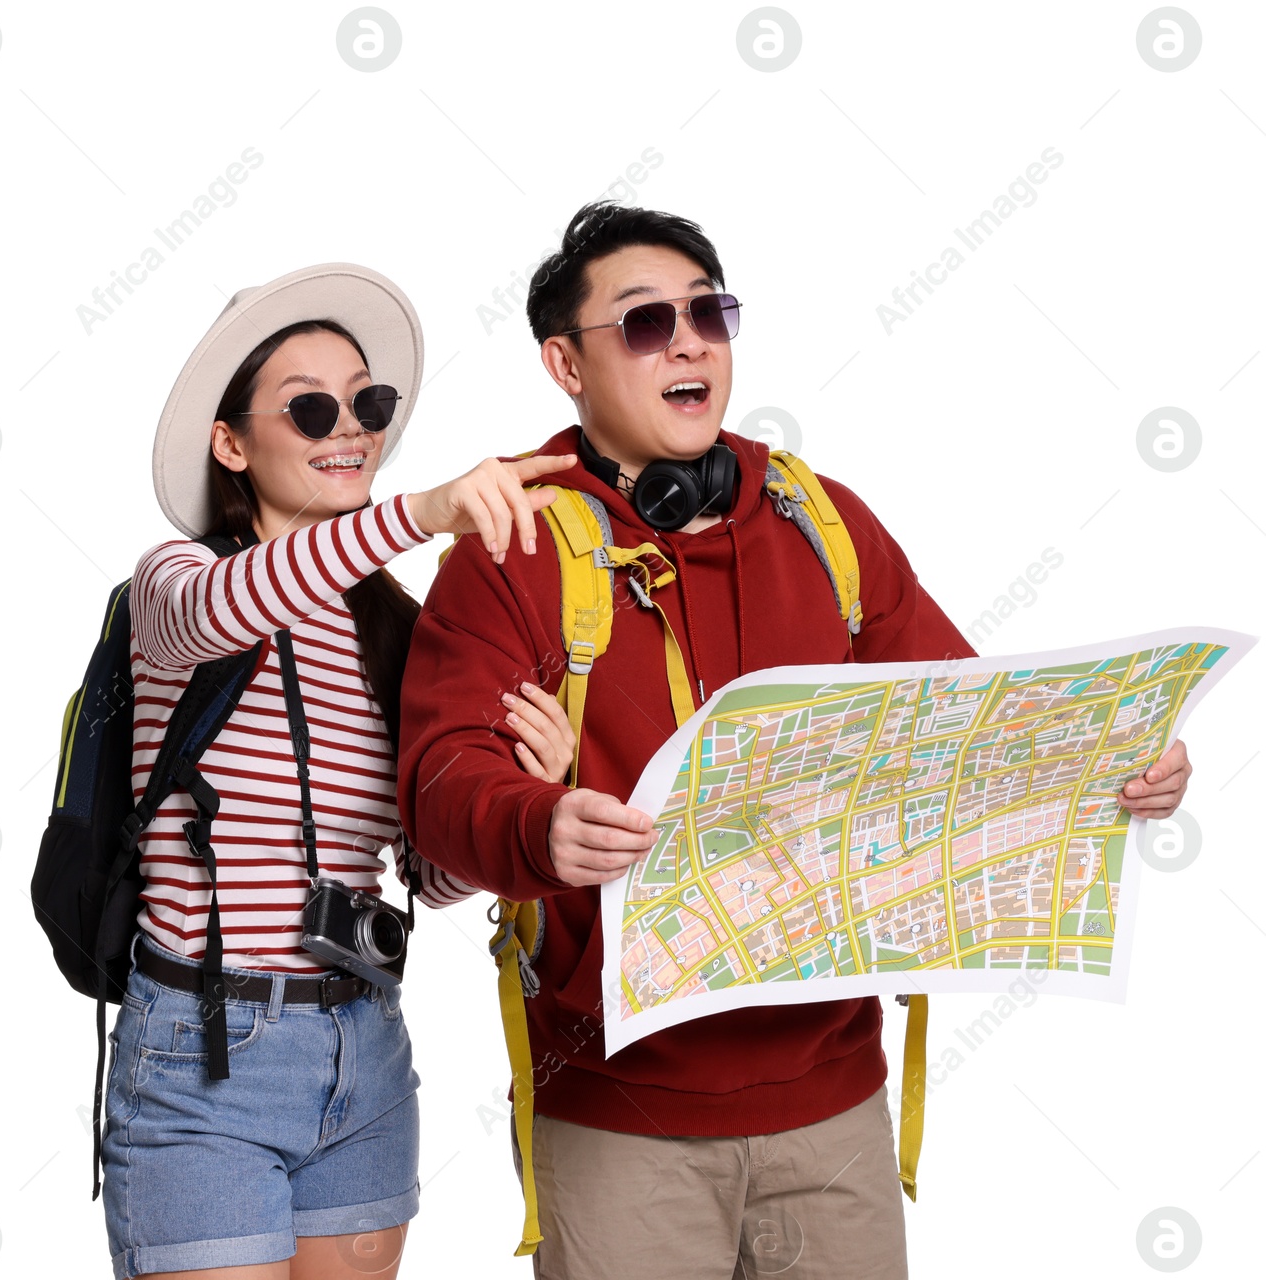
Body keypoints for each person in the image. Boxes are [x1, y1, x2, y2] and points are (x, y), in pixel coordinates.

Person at [396, 205, 1194, 1279]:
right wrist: (535, 820)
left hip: (833, 1107)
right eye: (642, 323)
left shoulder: (821, 520)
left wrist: (1106, 767)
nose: (687, 342)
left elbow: (965, 725)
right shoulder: (509, 543)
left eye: (706, 314)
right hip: (618, 1113)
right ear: (564, 365)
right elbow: (440, 780)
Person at [101, 263, 578, 1280]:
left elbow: (431, 872)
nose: (347, 427)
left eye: (366, 402)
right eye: (309, 407)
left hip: (363, 1050)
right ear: (232, 443)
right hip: (201, 1053)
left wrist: (522, 800)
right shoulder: (175, 584)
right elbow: (230, 607)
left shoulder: (394, 629)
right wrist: (425, 509)